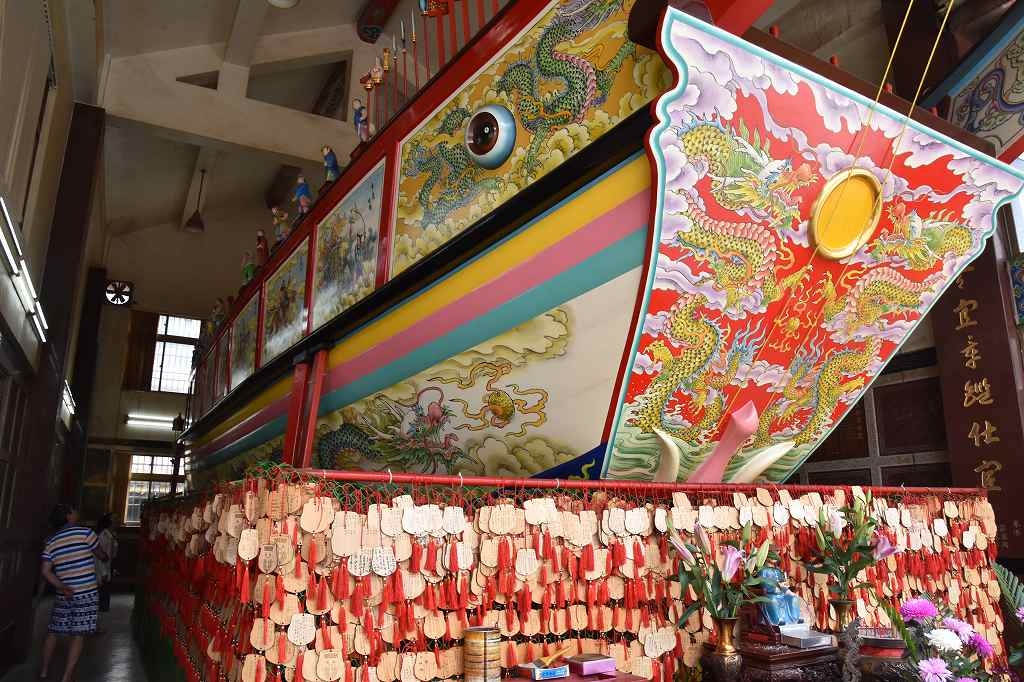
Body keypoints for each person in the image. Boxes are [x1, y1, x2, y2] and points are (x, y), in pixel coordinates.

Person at [40, 504, 108, 682]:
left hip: (64, 594)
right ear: (69, 516)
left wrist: (62, 586)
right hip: (86, 592)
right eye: (74, 510)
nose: (77, 512)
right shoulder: (85, 533)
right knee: (78, 634)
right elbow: (100, 554)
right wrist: (104, 556)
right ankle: (67, 677)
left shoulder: (51, 541)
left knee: (53, 631)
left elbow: (46, 571)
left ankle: (44, 671)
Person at [94, 513, 117, 614]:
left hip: (109, 564)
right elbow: (99, 556)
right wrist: (103, 572)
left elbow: (113, 553)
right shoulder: (103, 536)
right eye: (115, 519)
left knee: (106, 589)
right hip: (102, 566)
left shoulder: (111, 534)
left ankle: (104, 607)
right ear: (109, 522)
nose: (117, 521)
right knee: (102, 588)